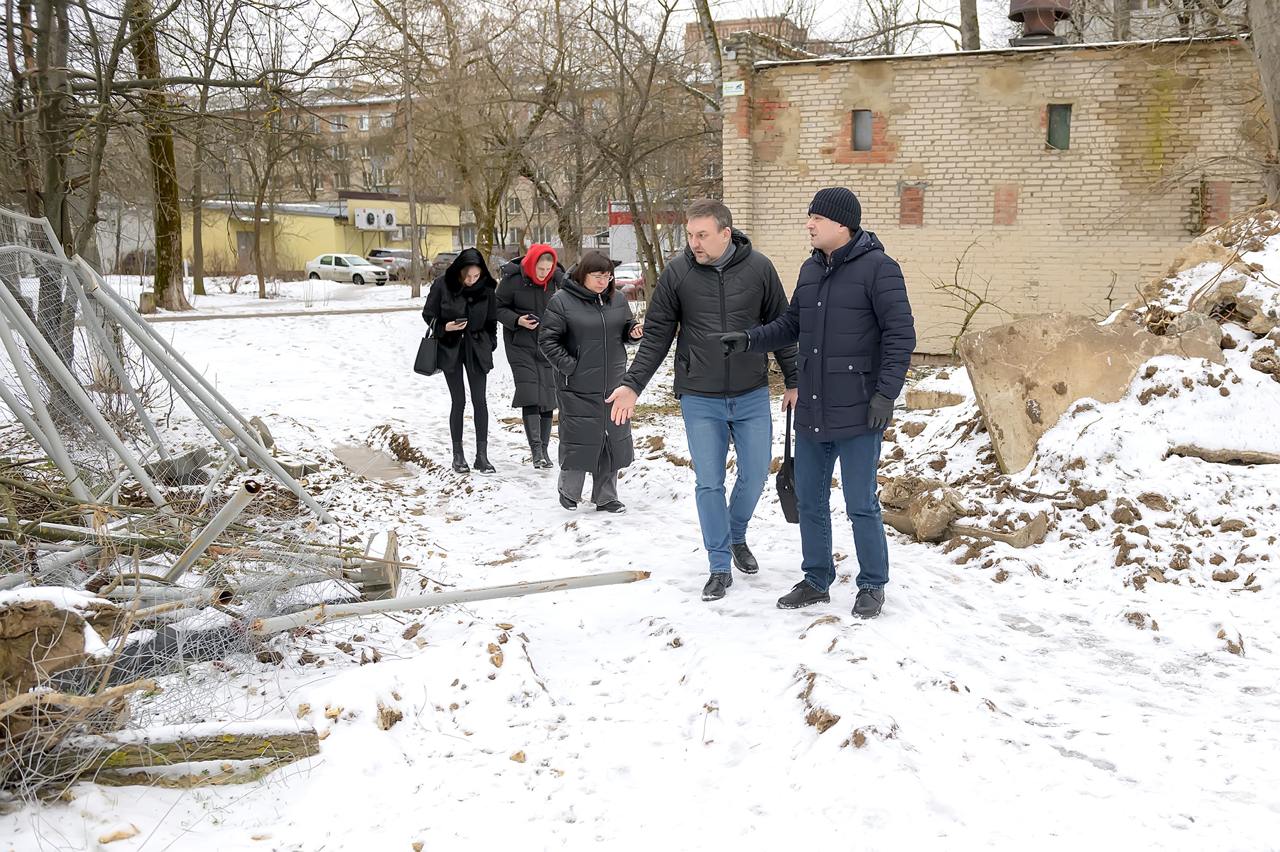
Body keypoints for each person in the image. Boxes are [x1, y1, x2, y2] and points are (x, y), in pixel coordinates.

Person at [717, 187, 916, 619]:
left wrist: (886, 394)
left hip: (860, 409)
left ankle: (872, 584)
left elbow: (902, 336)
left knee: (861, 502)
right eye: (809, 217)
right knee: (809, 499)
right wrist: (750, 339)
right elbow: (793, 323)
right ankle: (816, 578)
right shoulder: (811, 269)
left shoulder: (880, 269)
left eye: (816, 219)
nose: (809, 224)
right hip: (812, 406)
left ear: (842, 224)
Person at [606, 199, 798, 602]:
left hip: (750, 391)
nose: (694, 242)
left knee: (756, 473)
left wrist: (795, 380)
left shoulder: (760, 268)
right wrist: (633, 384)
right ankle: (718, 564)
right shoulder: (678, 274)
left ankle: (736, 534)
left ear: (725, 233)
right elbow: (657, 335)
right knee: (709, 482)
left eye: (702, 235)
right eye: (690, 235)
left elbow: (782, 326)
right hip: (700, 394)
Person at [538, 251, 643, 513]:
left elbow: (624, 328)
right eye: (598, 276)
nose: (604, 282)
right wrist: (571, 366)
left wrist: (633, 332)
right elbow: (547, 340)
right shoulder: (561, 301)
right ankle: (569, 491)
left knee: (612, 438)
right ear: (583, 274)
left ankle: (606, 496)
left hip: (614, 383)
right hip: (577, 385)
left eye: (608, 277)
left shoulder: (617, 299)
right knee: (579, 438)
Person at [421, 248, 499, 475]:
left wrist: (490, 343)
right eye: (467, 277)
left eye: (475, 277)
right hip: (451, 348)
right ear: (459, 271)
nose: (471, 281)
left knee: (480, 401)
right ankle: (458, 455)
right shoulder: (442, 285)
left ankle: (482, 456)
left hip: (477, 349)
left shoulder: (487, 289)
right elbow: (428, 314)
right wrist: (445, 327)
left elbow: (492, 321)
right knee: (459, 401)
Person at [496, 244, 563, 469]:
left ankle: (544, 450)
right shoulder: (512, 280)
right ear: (532, 264)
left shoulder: (557, 281)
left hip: (549, 346)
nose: (544, 274)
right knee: (530, 394)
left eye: (548, 269)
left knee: (547, 397)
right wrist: (517, 320)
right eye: (540, 269)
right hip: (520, 345)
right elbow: (497, 308)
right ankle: (536, 451)